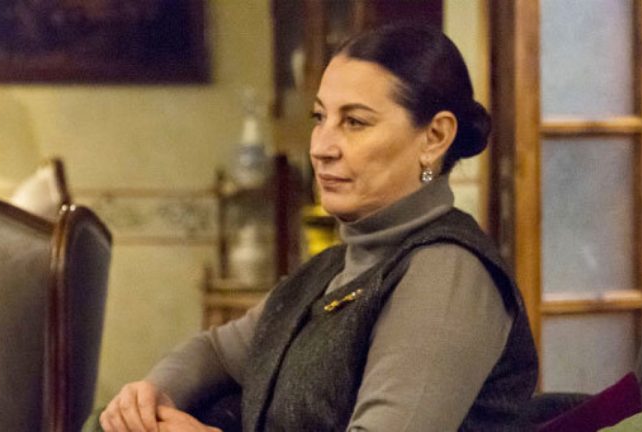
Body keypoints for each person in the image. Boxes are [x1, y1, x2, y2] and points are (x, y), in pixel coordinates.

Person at [98, 24, 538, 432]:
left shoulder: (447, 275)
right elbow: (215, 351)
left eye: (355, 122)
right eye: (319, 118)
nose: (322, 147)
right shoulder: (331, 268)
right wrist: (151, 394)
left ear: (435, 137)